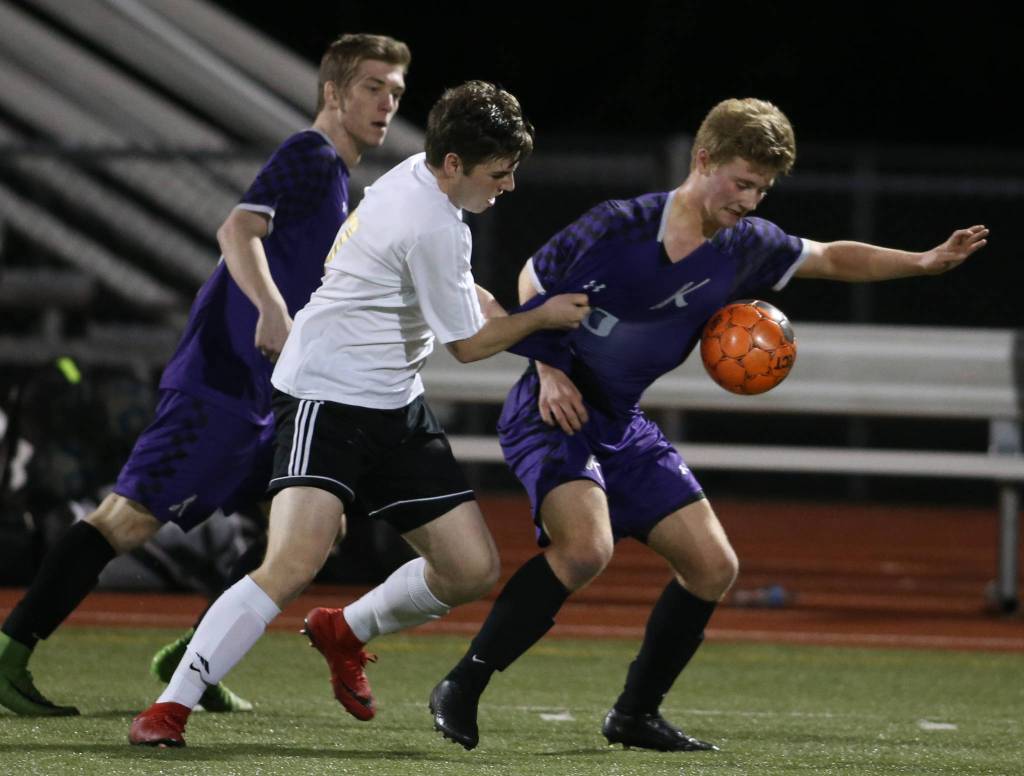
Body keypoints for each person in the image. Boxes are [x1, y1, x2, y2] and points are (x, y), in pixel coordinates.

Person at [428, 97, 989, 752]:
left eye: (762, 188)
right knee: (586, 549)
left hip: (622, 422)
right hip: (555, 409)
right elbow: (532, 277)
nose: (751, 200)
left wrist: (920, 262)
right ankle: (462, 684)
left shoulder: (746, 244)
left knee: (713, 567)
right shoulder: (622, 224)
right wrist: (548, 369)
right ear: (703, 161)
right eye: (742, 182)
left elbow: (832, 256)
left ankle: (634, 714)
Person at [127, 79, 591, 748]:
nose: (510, 185)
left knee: (470, 570)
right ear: (454, 165)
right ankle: (170, 707)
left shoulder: (417, 177)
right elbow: (465, 347)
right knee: (292, 561)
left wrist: (485, 300)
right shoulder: (430, 221)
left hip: (392, 404)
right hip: (326, 394)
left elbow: (433, 284)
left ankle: (344, 631)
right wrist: (541, 317)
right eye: (501, 172)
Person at [0, 33, 411, 717]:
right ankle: (11, 652)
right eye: (373, 87)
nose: (387, 103)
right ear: (334, 93)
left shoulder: (339, 179)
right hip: (219, 386)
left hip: (261, 399)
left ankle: (194, 658)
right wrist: (273, 310)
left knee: (314, 529)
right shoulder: (308, 155)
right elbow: (237, 228)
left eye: (396, 92)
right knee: (124, 521)